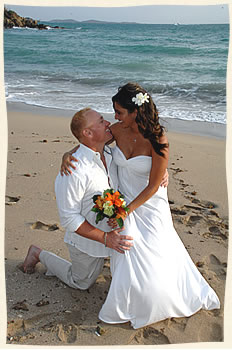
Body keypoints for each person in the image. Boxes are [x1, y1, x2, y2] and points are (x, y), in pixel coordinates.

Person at [61, 82, 220, 329]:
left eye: (119, 112)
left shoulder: (158, 139)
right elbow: (90, 141)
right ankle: (129, 300)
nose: (114, 117)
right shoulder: (117, 130)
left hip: (149, 204)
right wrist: (68, 154)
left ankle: (164, 293)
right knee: (127, 248)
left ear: (134, 112)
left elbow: (153, 186)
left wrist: (127, 209)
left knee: (160, 254)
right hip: (123, 201)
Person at [22, 107, 134, 290]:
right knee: (81, 282)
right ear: (88, 132)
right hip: (88, 242)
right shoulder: (73, 170)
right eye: (101, 121)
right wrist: (106, 238)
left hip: (118, 231)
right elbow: (69, 218)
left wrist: (161, 171)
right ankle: (39, 254)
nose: (108, 124)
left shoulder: (111, 154)